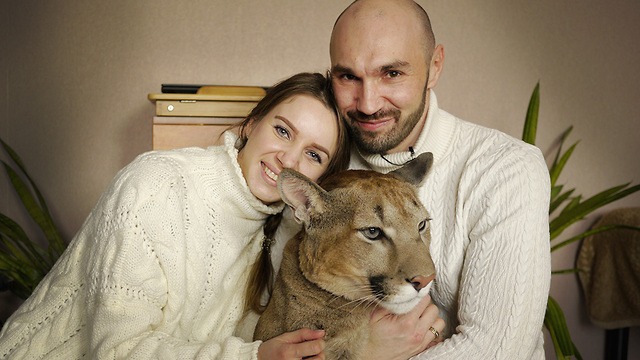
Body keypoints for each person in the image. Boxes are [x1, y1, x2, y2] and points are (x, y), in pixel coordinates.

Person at [0, 72, 351, 359]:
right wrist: (252, 358)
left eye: (314, 155)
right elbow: (117, 352)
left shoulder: (280, 234)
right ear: (252, 124)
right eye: (283, 131)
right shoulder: (156, 182)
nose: (288, 160)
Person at [324, 0, 552, 358]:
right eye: (349, 76)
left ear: (434, 67)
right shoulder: (320, 158)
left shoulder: (505, 167)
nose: (367, 104)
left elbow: (497, 350)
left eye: (392, 74)